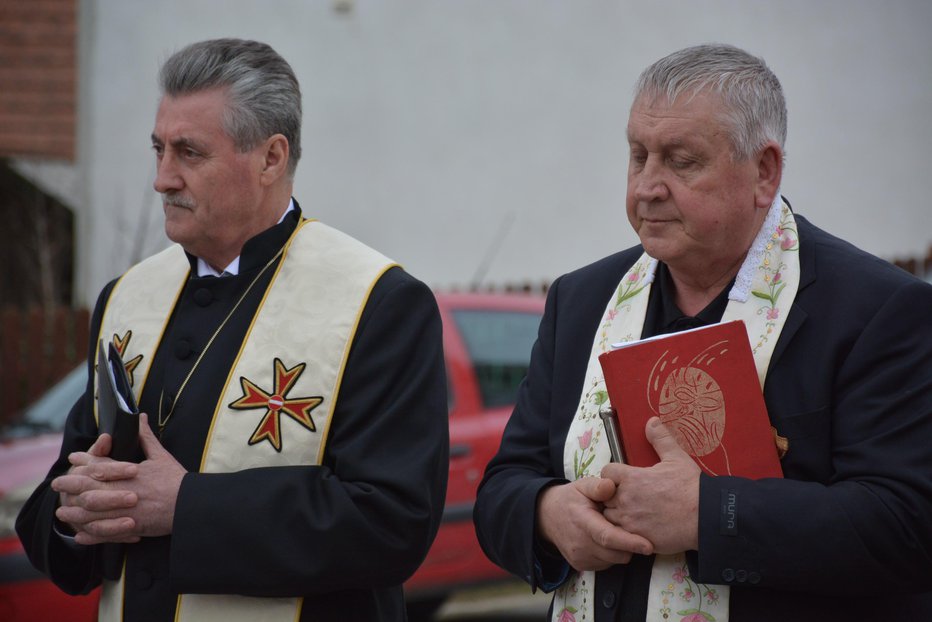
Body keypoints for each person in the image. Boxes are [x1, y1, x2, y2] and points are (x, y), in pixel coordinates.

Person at [473, 43, 932, 621]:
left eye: (681, 160)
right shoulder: (582, 300)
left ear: (764, 172)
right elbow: (501, 488)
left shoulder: (877, 309)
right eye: (638, 156)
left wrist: (707, 514)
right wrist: (548, 513)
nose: (647, 187)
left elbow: (909, 525)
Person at [17, 38, 449, 622]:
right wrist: (77, 514)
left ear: (271, 158)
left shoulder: (378, 302)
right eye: (158, 150)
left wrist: (185, 508)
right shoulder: (126, 298)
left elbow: (393, 523)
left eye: (189, 153)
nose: (162, 179)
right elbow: (64, 497)